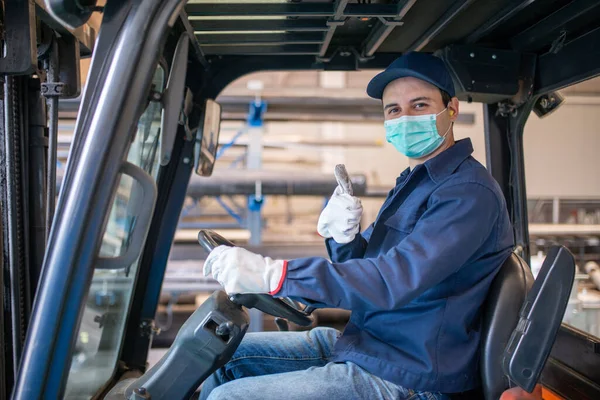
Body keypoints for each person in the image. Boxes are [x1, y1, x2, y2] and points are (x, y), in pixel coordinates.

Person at [200, 52, 514, 400]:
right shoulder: (414, 182)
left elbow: (392, 279)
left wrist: (276, 275)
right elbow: (365, 267)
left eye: (420, 105)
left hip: (412, 373)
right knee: (219, 355)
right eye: (394, 110)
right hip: (372, 344)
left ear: (451, 109)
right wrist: (343, 238)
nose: (404, 117)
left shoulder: (466, 192)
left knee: (226, 398)